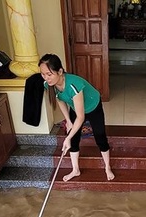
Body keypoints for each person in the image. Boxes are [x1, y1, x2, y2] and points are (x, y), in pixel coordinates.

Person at [38, 53, 115, 182]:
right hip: (75, 107)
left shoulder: (74, 84)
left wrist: (67, 138)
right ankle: (75, 170)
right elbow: (60, 100)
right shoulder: (50, 84)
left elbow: (80, 117)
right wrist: (68, 121)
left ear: (60, 71)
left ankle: (107, 167)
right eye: (43, 74)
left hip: (93, 106)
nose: (46, 78)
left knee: (100, 135)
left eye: (49, 74)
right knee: (73, 137)